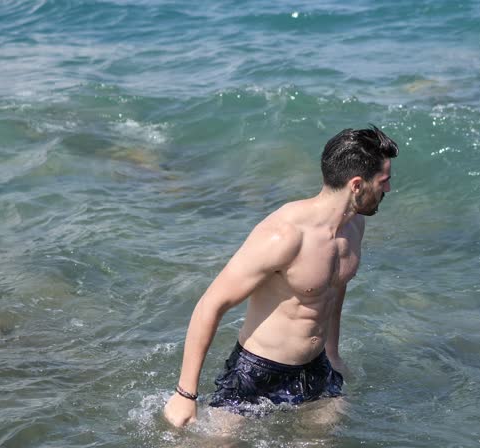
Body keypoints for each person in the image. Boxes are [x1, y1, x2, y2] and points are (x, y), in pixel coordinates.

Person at [163, 125, 398, 427]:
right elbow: (212, 303)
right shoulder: (284, 236)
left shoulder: (353, 226)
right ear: (356, 185)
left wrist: (333, 353)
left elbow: (335, 289)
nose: (388, 189)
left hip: (316, 368)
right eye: (383, 181)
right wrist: (185, 394)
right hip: (258, 372)